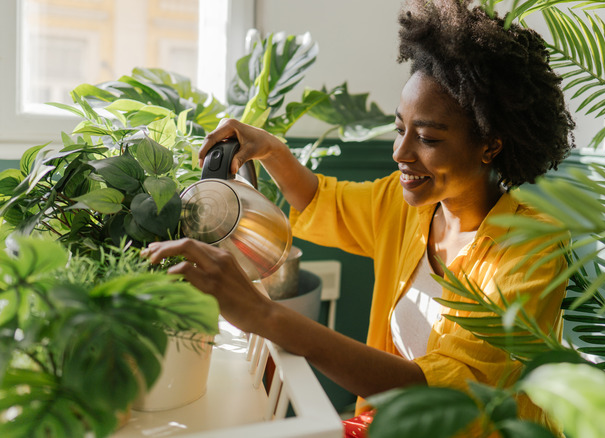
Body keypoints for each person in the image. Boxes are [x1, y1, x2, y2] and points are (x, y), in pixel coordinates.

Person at [142, 0, 575, 434]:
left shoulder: (532, 247)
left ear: (491, 146)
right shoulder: (407, 208)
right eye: (399, 128)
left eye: (425, 137)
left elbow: (442, 397)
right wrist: (272, 149)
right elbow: (321, 201)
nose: (400, 153)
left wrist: (265, 315)